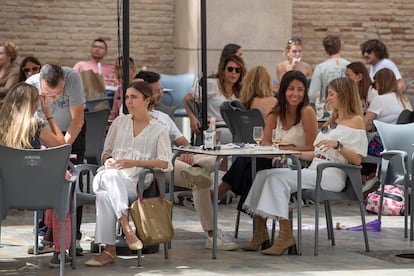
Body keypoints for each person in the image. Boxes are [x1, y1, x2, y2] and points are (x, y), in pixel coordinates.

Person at [243, 77, 367, 256]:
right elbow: (315, 153)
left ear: (344, 95)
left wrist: (338, 145)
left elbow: (357, 160)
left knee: (278, 178)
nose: (329, 98)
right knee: (264, 174)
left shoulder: (356, 120)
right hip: (315, 170)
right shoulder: (331, 121)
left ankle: (285, 236)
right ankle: (260, 232)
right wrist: (291, 154)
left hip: (331, 175)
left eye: (332, 94)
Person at [135, 70, 238, 251]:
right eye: (156, 91)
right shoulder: (135, 116)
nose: (161, 94)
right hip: (160, 162)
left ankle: (198, 167)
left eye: (161, 90)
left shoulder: (164, 117)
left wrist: (187, 152)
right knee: (201, 181)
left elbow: (184, 143)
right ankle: (212, 234)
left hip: (178, 157)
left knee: (216, 155)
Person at [214, 70, 318, 244]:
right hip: (274, 161)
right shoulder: (275, 113)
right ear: (284, 91)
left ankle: (220, 195)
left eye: (300, 89)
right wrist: (276, 151)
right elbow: (265, 143)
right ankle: (260, 231)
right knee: (253, 164)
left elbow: (312, 147)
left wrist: (289, 149)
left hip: (297, 163)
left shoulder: (306, 112)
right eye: (291, 89)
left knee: (251, 165)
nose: (296, 94)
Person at [85, 81, 172, 267]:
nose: (128, 102)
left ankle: (109, 250)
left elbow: (165, 162)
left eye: (134, 97)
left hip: (133, 185)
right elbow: (106, 151)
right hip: (108, 175)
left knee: (103, 196)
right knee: (109, 175)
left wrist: (134, 163)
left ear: (147, 100)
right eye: (126, 97)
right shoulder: (119, 122)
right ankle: (126, 228)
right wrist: (107, 160)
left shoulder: (159, 130)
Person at [0, 82, 71, 268]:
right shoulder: (36, 124)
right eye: (36, 102)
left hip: (6, 193)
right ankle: (59, 251)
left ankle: (48, 235)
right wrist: (49, 114)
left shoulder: (1, 125)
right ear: (30, 103)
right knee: (63, 186)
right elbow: (62, 145)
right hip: (39, 192)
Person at [26, 64, 86, 255]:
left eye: (58, 94)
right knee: (44, 181)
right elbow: (31, 124)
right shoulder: (31, 85)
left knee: (73, 183)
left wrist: (64, 147)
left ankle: (74, 237)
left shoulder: (73, 78)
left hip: (70, 131)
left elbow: (77, 119)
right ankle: (44, 234)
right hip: (41, 131)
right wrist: (50, 145)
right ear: (40, 83)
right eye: (49, 95)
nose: (54, 99)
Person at [362, 68, 412, 192]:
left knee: (356, 146)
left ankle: (366, 180)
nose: (375, 87)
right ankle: (373, 179)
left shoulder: (380, 99)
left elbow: (362, 125)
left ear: (381, 82)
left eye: (375, 84)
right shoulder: (404, 100)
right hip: (404, 146)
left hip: (385, 146)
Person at [183, 54, 247, 144]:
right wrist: (192, 118)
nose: (234, 73)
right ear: (223, 70)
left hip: (235, 127)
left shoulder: (241, 90)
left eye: (237, 70)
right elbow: (186, 99)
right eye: (230, 69)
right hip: (216, 127)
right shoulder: (213, 84)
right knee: (235, 137)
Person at [309, 35, 350, 102]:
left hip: (328, 106)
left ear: (325, 50)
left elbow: (313, 94)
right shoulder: (349, 65)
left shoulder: (321, 68)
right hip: (346, 105)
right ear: (340, 47)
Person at [109, 56, 136, 121]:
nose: (120, 72)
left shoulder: (140, 89)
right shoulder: (118, 91)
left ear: (133, 70)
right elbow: (114, 114)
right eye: (117, 68)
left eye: (123, 68)